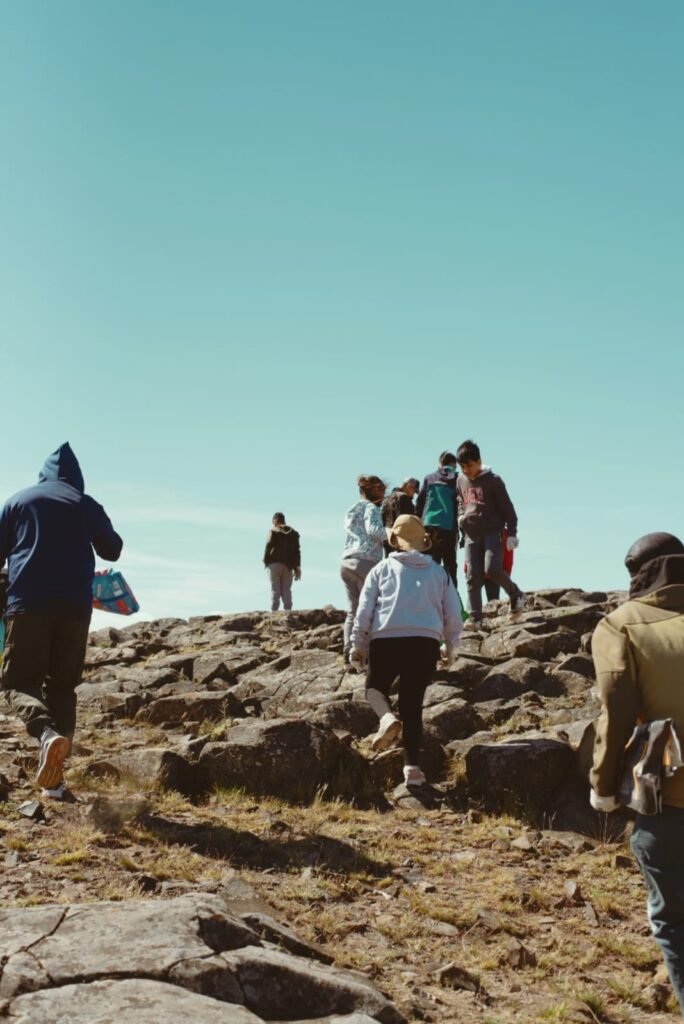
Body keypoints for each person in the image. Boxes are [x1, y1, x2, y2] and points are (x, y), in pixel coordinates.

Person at [589, 531, 684, 1013]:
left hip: (670, 799)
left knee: (674, 921)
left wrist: (603, 787)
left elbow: (617, 710)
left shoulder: (622, 625)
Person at [0, 443, 123, 799]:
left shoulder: (19, 501)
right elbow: (112, 549)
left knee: (17, 684)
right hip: (74, 607)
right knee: (61, 686)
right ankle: (55, 782)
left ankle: (45, 735)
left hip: (28, 604)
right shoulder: (84, 503)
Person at [350, 514, 463, 787]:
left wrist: (357, 643)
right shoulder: (439, 572)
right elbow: (454, 614)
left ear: (395, 543)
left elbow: (364, 609)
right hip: (425, 642)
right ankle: (412, 771)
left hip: (386, 637)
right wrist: (451, 646)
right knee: (412, 706)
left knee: (375, 687)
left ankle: (387, 718)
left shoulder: (382, 569)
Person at [455, 439, 524, 626]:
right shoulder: (460, 480)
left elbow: (509, 510)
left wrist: (512, 533)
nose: (466, 470)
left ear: (479, 461)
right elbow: (460, 501)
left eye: (469, 465)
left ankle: (516, 594)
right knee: (472, 575)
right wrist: (461, 516)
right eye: (462, 467)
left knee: (492, 569)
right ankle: (475, 618)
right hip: (471, 534)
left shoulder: (494, 481)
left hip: (492, 532)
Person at [340, 475, 386, 667]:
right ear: (376, 491)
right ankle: (363, 653)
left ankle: (347, 649)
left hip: (346, 561)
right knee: (370, 608)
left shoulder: (352, 509)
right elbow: (373, 529)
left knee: (353, 610)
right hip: (366, 561)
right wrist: (393, 535)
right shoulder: (371, 508)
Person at [416, 452, 459, 585]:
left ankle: (426, 597)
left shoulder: (429, 478)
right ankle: (452, 600)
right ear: (454, 465)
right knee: (449, 565)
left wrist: (418, 524)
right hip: (449, 527)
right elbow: (459, 505)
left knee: (429, 564)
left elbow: (420, 502)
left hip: (429, 525)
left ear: (439, 464)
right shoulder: (457, 479)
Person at [263, 512, 301, 612]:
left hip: (273, 564)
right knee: (286, 589)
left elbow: (268, 546)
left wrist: (265, 560)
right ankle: (288, 611)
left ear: (274, 521)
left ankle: (274, 611)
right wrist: (297, 566)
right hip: (288, 565)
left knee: (275, 589)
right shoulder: (294, 533)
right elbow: (297, 551)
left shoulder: (273, 531)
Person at [381, 477, 419, 556]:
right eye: (414, 491)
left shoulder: (386, 499)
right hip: (400, 541)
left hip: (388, 538)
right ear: (409, 486)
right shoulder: (404, 498)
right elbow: (407, 521)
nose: (413, 495)